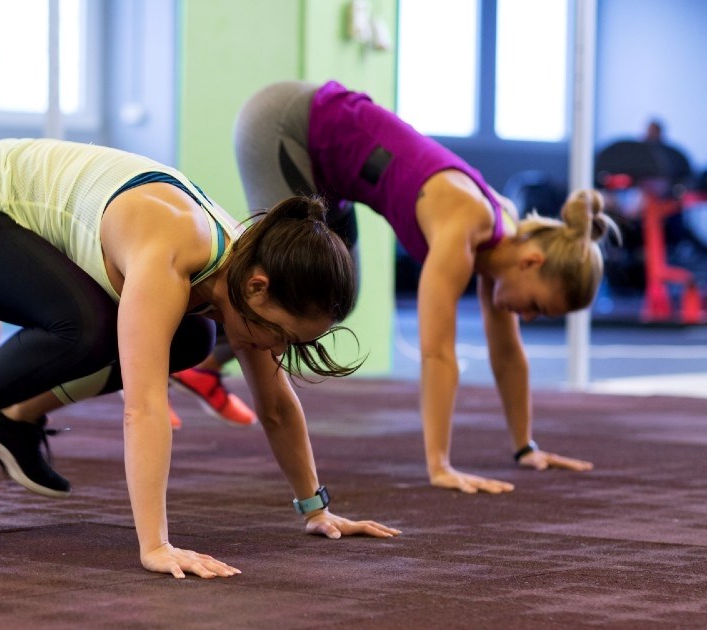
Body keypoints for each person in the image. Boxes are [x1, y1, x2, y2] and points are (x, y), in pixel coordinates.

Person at [0, 137, 400, 579]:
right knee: (86, 329)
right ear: (257, 287)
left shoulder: (250, 268)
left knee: (191, 342)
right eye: (280, 336)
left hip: (7, 217)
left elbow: (275, 404)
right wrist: (156, 546)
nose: (276, 351)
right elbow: (142, 407)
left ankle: (15, 420)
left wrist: (316, 509)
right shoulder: (175, 250)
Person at [197, 79, 616, 495]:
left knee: (337, 299)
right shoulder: (466, 222)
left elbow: (508, 353)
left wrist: (525, 447)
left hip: (328, 171)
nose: (526, 316)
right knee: (290, 286)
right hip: (284, 124)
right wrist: (441, 466)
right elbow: (436, 351)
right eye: (537, 306)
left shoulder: (503, 237)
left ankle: (205, 367)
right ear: (531, 261)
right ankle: (191, 342)